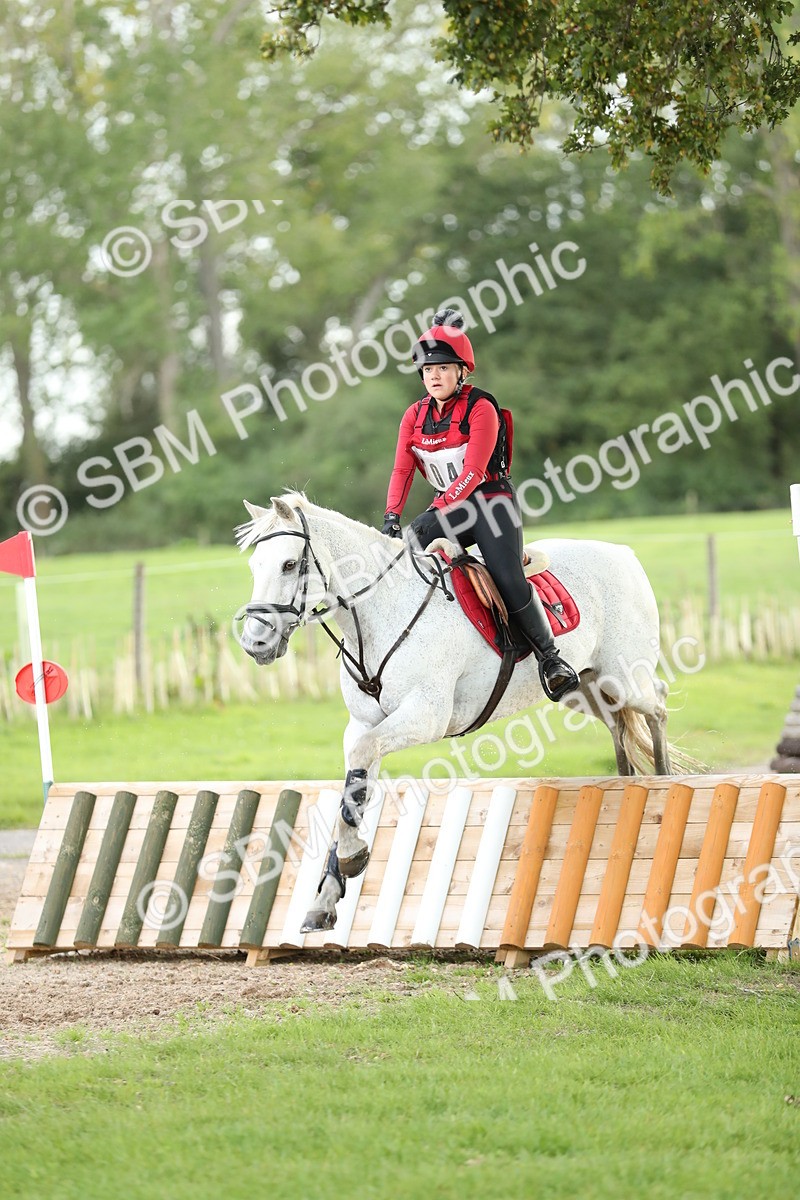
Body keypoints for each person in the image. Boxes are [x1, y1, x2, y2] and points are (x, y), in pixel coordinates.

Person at [381, 308, 579, 702]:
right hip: (450, 509)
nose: (433, 376)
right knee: (409, 550)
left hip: (491, 505)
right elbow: (402, 470)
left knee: (506, 576)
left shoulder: (480, 407)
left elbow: (472, 472)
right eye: (426, 370)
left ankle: (551, 659)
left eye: (441, 368)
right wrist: (391, 516)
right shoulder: (413, 415)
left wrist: (438, 508)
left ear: (461, 371)